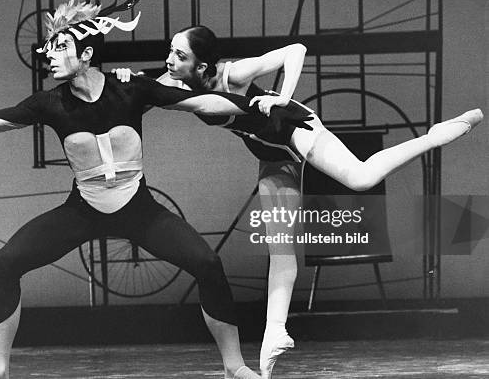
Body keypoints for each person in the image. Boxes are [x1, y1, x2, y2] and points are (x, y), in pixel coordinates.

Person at [0, 0, 312, 379]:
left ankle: (234, 366)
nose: (48, 54)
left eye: (59, 46)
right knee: (5, 264)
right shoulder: (48, 103)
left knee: (207, 265)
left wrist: (259, 106)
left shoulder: (132, 90)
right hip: (82, 211)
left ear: (85, 53)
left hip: (139, 211)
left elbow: (199, 99)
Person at [111, 24, 483, 379]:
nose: (170, 60)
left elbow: (296, 50)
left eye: (178, 54)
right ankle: (275, 337)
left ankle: (434, 137)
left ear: (202, 65)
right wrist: (127, 78)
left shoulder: (234, 73)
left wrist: (284, 96)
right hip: (273, 157)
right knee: (280, 250)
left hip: (296, 131)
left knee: (361, 177)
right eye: (170, 52)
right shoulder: (174, 78)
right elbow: (146, 91)